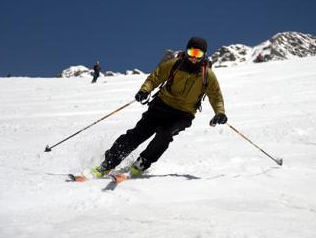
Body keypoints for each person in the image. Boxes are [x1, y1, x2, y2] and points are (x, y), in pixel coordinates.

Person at [90, 37, 227, 177]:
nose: (193, 57)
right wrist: (145, 90)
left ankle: (142, 163)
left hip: (183, 114)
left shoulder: (207, 75)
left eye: (198, 54)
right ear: (186, 51)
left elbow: (216, 96)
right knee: (138, 134)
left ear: (204, 55)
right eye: (191, 52)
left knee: (165, 134)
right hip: (161, 106)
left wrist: (220, 112)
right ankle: (108, 164)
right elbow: (154, 78)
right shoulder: (175, 64)